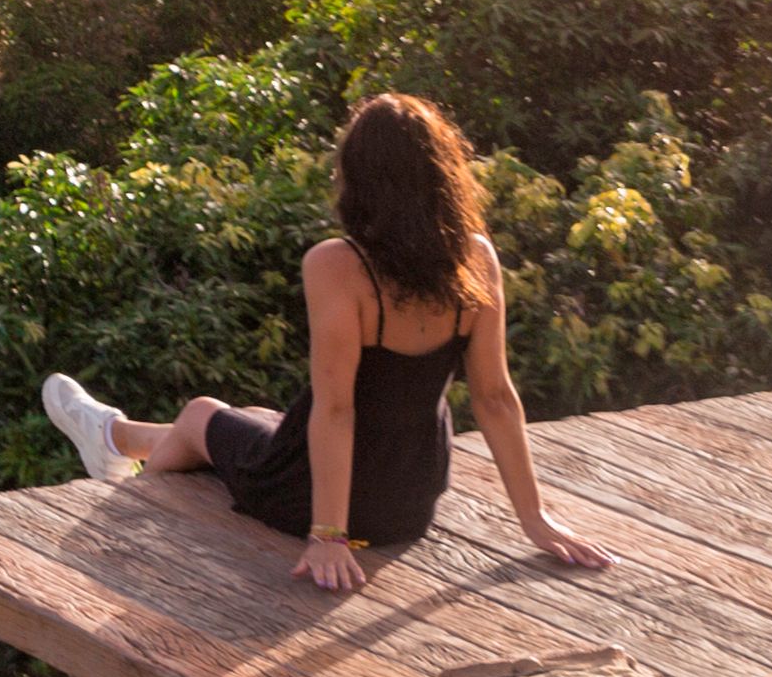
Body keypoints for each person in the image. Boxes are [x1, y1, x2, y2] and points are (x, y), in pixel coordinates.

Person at [40, 95, 614, 593]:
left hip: (318, 497)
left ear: (357, 177)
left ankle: (117, 468)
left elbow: (338, 408)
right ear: (445, 175)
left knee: (200, 416)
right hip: (410, 500)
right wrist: (534, 520)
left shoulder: (338, 264)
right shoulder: (475, 258)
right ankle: (112, 434)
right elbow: (495, 397)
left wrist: (329, 535)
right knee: (262, 417)